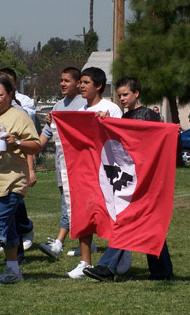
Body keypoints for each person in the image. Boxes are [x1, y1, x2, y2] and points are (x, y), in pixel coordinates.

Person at [82, 76, 174, 281]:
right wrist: (107, 123)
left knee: (129, 222)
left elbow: (149, 145)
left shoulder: (148, 115)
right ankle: (162, 271)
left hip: (145, 178)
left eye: (126, 94)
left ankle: (107, 267)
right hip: (132, 177)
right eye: (120, 95)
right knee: (147, 225)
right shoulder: (125, 117)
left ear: (136, 94)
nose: (122, 99)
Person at [0, 75, 41, 285]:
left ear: (10, 95)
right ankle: (14, 270)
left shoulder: (18, 116)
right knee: (10, 226)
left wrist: (17, 142)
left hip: (11, 182)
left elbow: (35, 145)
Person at [66, 67, 122, 279]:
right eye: (80, 82)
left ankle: (117, 255)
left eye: (86, 82)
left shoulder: (111, 108)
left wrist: (107, 123)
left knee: (110, 216)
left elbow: (119, 138)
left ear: (98, 86)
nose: (81, 86)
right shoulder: (81, 113)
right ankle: (85, 262)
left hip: (108, 173)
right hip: (85, 174)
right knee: (85, 216)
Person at [37, 67, 88, 259]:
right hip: (62, 165)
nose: (62, 84)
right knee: (68, 204)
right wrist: (32, 149)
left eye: (67, 81)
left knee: (71, 205)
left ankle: (58, 243)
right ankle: (86, 244)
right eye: (61, 80)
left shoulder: (84, 104)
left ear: (77, 83)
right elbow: (46, 134)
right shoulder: (58, 106)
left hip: (78, 166)